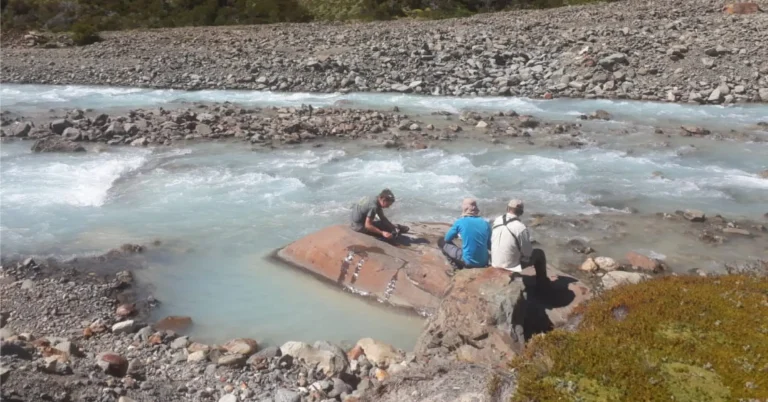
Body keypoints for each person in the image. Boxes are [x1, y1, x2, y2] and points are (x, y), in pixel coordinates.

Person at [491, 199, 551, 289]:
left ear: (507, 208)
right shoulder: (520, 227)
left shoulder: (497, 220)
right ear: (521, 212)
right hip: (509, 266)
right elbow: (528, 253)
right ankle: (542, 283)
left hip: (495, 262)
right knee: (539, 253)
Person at [439, 198, 492, 269]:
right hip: (484, 262)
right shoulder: (486, 223)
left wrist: (455, 235)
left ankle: (455, 266)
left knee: (441, 241)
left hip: (468, 262)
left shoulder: (460, 222)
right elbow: (489, 245)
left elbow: (447, 239)